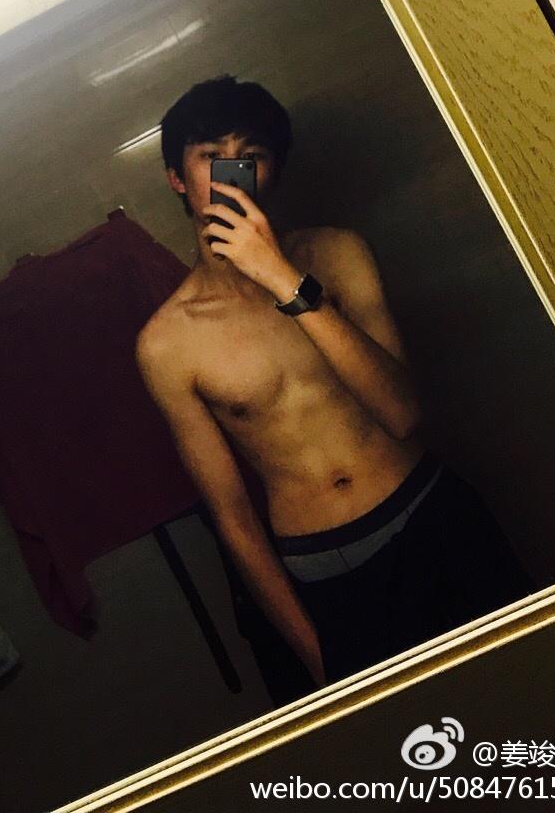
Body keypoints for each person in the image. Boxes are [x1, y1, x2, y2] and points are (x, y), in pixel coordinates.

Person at [135, 75, 532, 696]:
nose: (234, 173)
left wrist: (283, 279)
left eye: (252, 154)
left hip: (430, 514)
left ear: (274, 171)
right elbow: (234, 520)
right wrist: (316, 656)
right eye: (212, 156)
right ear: (177, 179)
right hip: (326, 566)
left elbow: (402, 413)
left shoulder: (338, 254)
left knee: (538, 698)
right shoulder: (166, 343)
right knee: (423, 743)